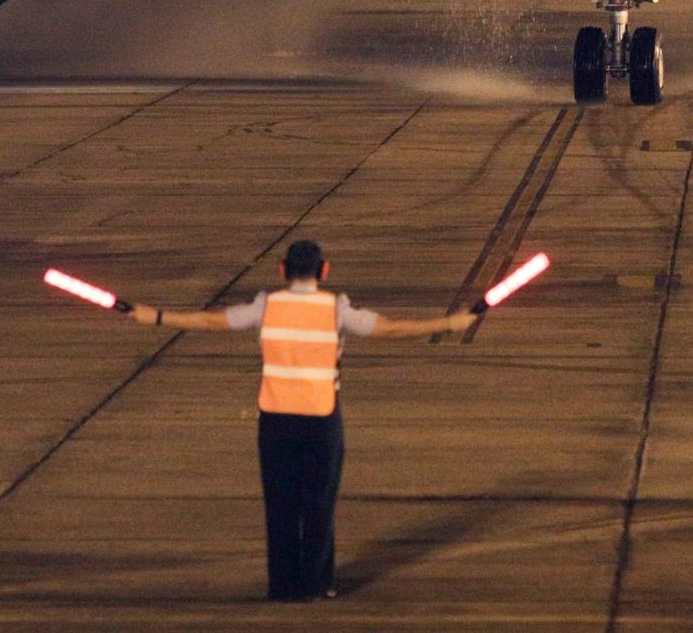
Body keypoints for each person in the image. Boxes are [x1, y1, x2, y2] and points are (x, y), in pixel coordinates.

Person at [126, 238, 481, 601]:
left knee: (279, 505)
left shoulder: (267, 307)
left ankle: (282, 586)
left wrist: (153, 316)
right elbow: (389, 329)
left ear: (282, 270)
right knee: (318, 504)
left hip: (275, 420)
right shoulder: (336, 310)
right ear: (324, 271)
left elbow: (209, 321)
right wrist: (450, 322)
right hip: (320, 419)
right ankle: (316, 583)